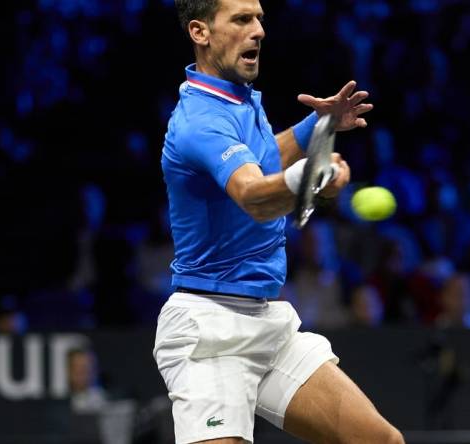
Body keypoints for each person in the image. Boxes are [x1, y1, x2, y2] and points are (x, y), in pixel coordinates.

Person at [153, 1, 403, 443]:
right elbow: (252, 195)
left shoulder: (237, 100)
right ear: (200, 32)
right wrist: (311, 176)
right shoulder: (200, 122)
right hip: (209, 333)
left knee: (380, 441)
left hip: (269, 322)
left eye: (260, 18)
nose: (259, 31)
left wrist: (318, 128)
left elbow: (265, 157)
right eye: (242, 20)